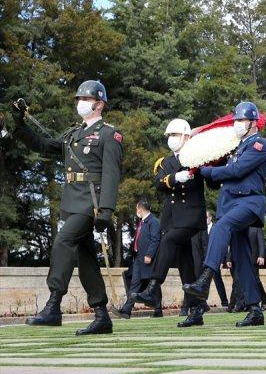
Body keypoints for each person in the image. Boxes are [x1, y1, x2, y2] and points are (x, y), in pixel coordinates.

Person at [13, 81, 122, 335]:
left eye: (86, 99)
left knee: (63, 241)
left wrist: (106, 209)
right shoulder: (74, 134)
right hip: (73, 201)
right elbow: (42, 144)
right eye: (79, 99)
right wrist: (20, 124)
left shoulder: (109, 134)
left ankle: (53, 306)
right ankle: (102, 315)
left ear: (99, 104)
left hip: (92, 202)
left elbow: (112, 174)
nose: (80, 103)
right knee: (86, 258)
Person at [183, 101, 266, 326]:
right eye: (236, 120)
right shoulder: (234, 148)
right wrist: (202, 166)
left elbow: (237, 170)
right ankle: (255, 310)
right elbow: (220, 179)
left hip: (248, 202)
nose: (237, 124)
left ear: (253, 123)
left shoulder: (259, 144)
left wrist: (208, 171)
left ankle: (205, 279)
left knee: (221, 227)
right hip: (231, 205)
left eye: (242, 120)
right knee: (241, 258)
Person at [133, 118, 211, 328]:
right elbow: (159, 183)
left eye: (175, 135)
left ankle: (153, 287)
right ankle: (197, 309)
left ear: (186, 136)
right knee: (186, 265)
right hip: (172, 217)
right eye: (169, 136)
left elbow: (212, 180)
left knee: (167, 242)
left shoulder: (198, 156)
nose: (171, 139)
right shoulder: (165, 162)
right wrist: (176, 177)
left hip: (191, 215)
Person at [119, 199, 161, 317]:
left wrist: (149, 255)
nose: (136, 211)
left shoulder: (153, 222)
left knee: (153, 283)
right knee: (135, 283)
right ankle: (126, 310)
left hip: (148, 258)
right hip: (138, 258)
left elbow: (155, 239)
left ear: (140, 209)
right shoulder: (142, 222)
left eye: (137, 209)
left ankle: (158, 309)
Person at [191, 211, 228, 308]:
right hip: (202, 260)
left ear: (210, 218)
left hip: (214, 259)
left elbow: (222, 245)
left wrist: (222, 261)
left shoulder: (216, 228)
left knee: (218, 281)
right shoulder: (200, 229)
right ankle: (203, 302)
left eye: (206, 217)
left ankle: (224, 301)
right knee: (201, 281)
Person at [231, 227, 266, 311]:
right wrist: (229, 259)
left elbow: (261, 243)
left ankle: (264, 300)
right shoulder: (239, 227)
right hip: (240, 259)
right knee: (238, 281)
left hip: (253, 259)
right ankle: (241, 304)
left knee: (255, 281)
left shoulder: (256, 228)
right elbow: (233, 244)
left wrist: (261, 255)